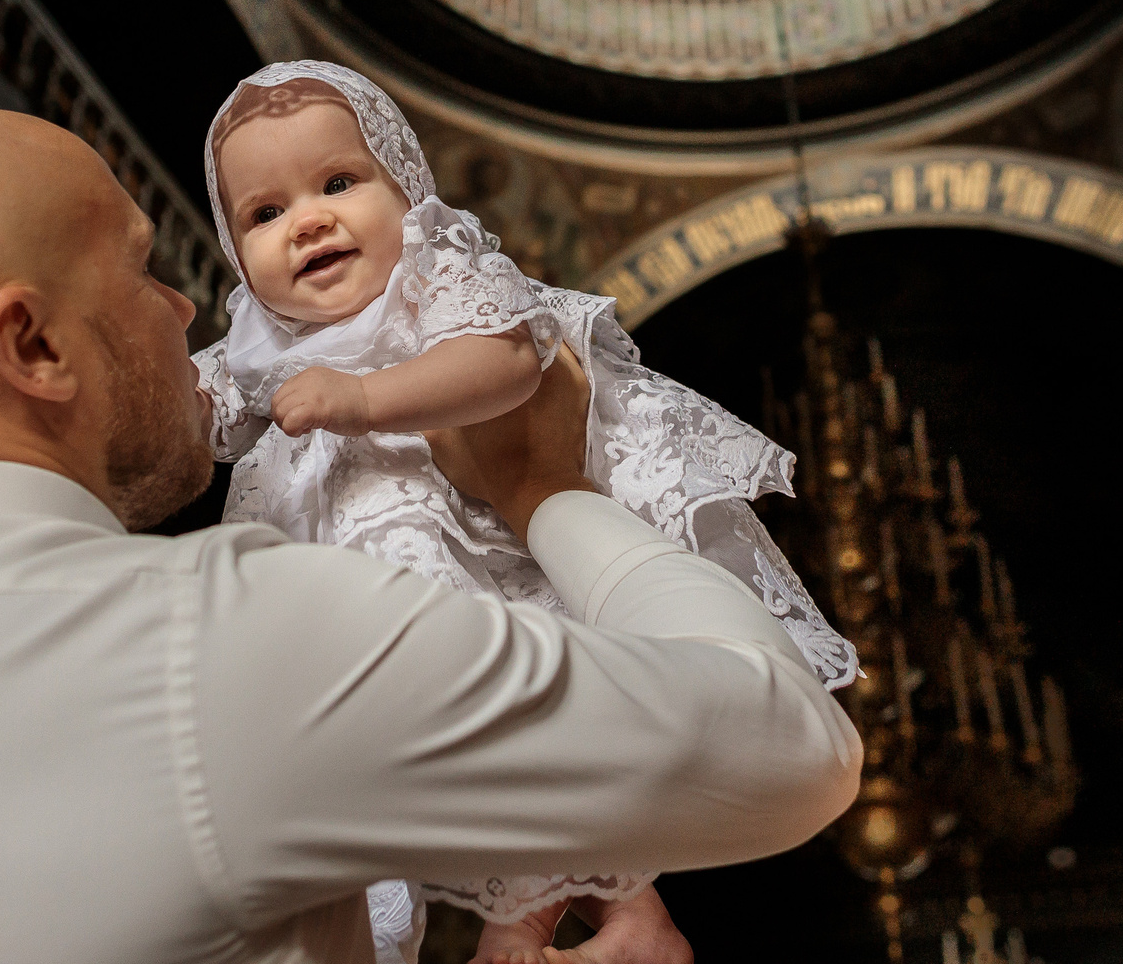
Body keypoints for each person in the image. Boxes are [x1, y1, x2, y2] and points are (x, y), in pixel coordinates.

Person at [0, 107, 861, 964]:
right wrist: (547, 492)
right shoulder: (225, 636)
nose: (182, 309)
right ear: (33, 345)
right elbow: (786, 741)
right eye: (142, 273)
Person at [195, 62, 855, 962]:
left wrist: (364, 398)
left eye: (338, 183)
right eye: (264, 213)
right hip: (326, 604)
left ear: (408, 191)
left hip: (458, 558)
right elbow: (190, 415)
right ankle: (430, 924)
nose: (306, 221)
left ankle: (593, 916)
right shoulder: (254, 341)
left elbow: (504, 363)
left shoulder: (437, 272)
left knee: (507, 726)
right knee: (368, 762)